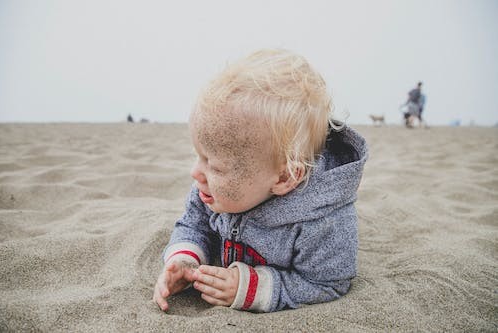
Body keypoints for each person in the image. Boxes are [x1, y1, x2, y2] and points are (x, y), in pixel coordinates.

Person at [153, 49, 368, 313]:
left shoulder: (323, 223)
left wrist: (251, 288)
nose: (195, 173)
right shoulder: (210, 190)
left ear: (284, 177)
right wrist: (185, 259)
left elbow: (327, 283)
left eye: (215, 167)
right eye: (199, 156)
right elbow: (193, 225)